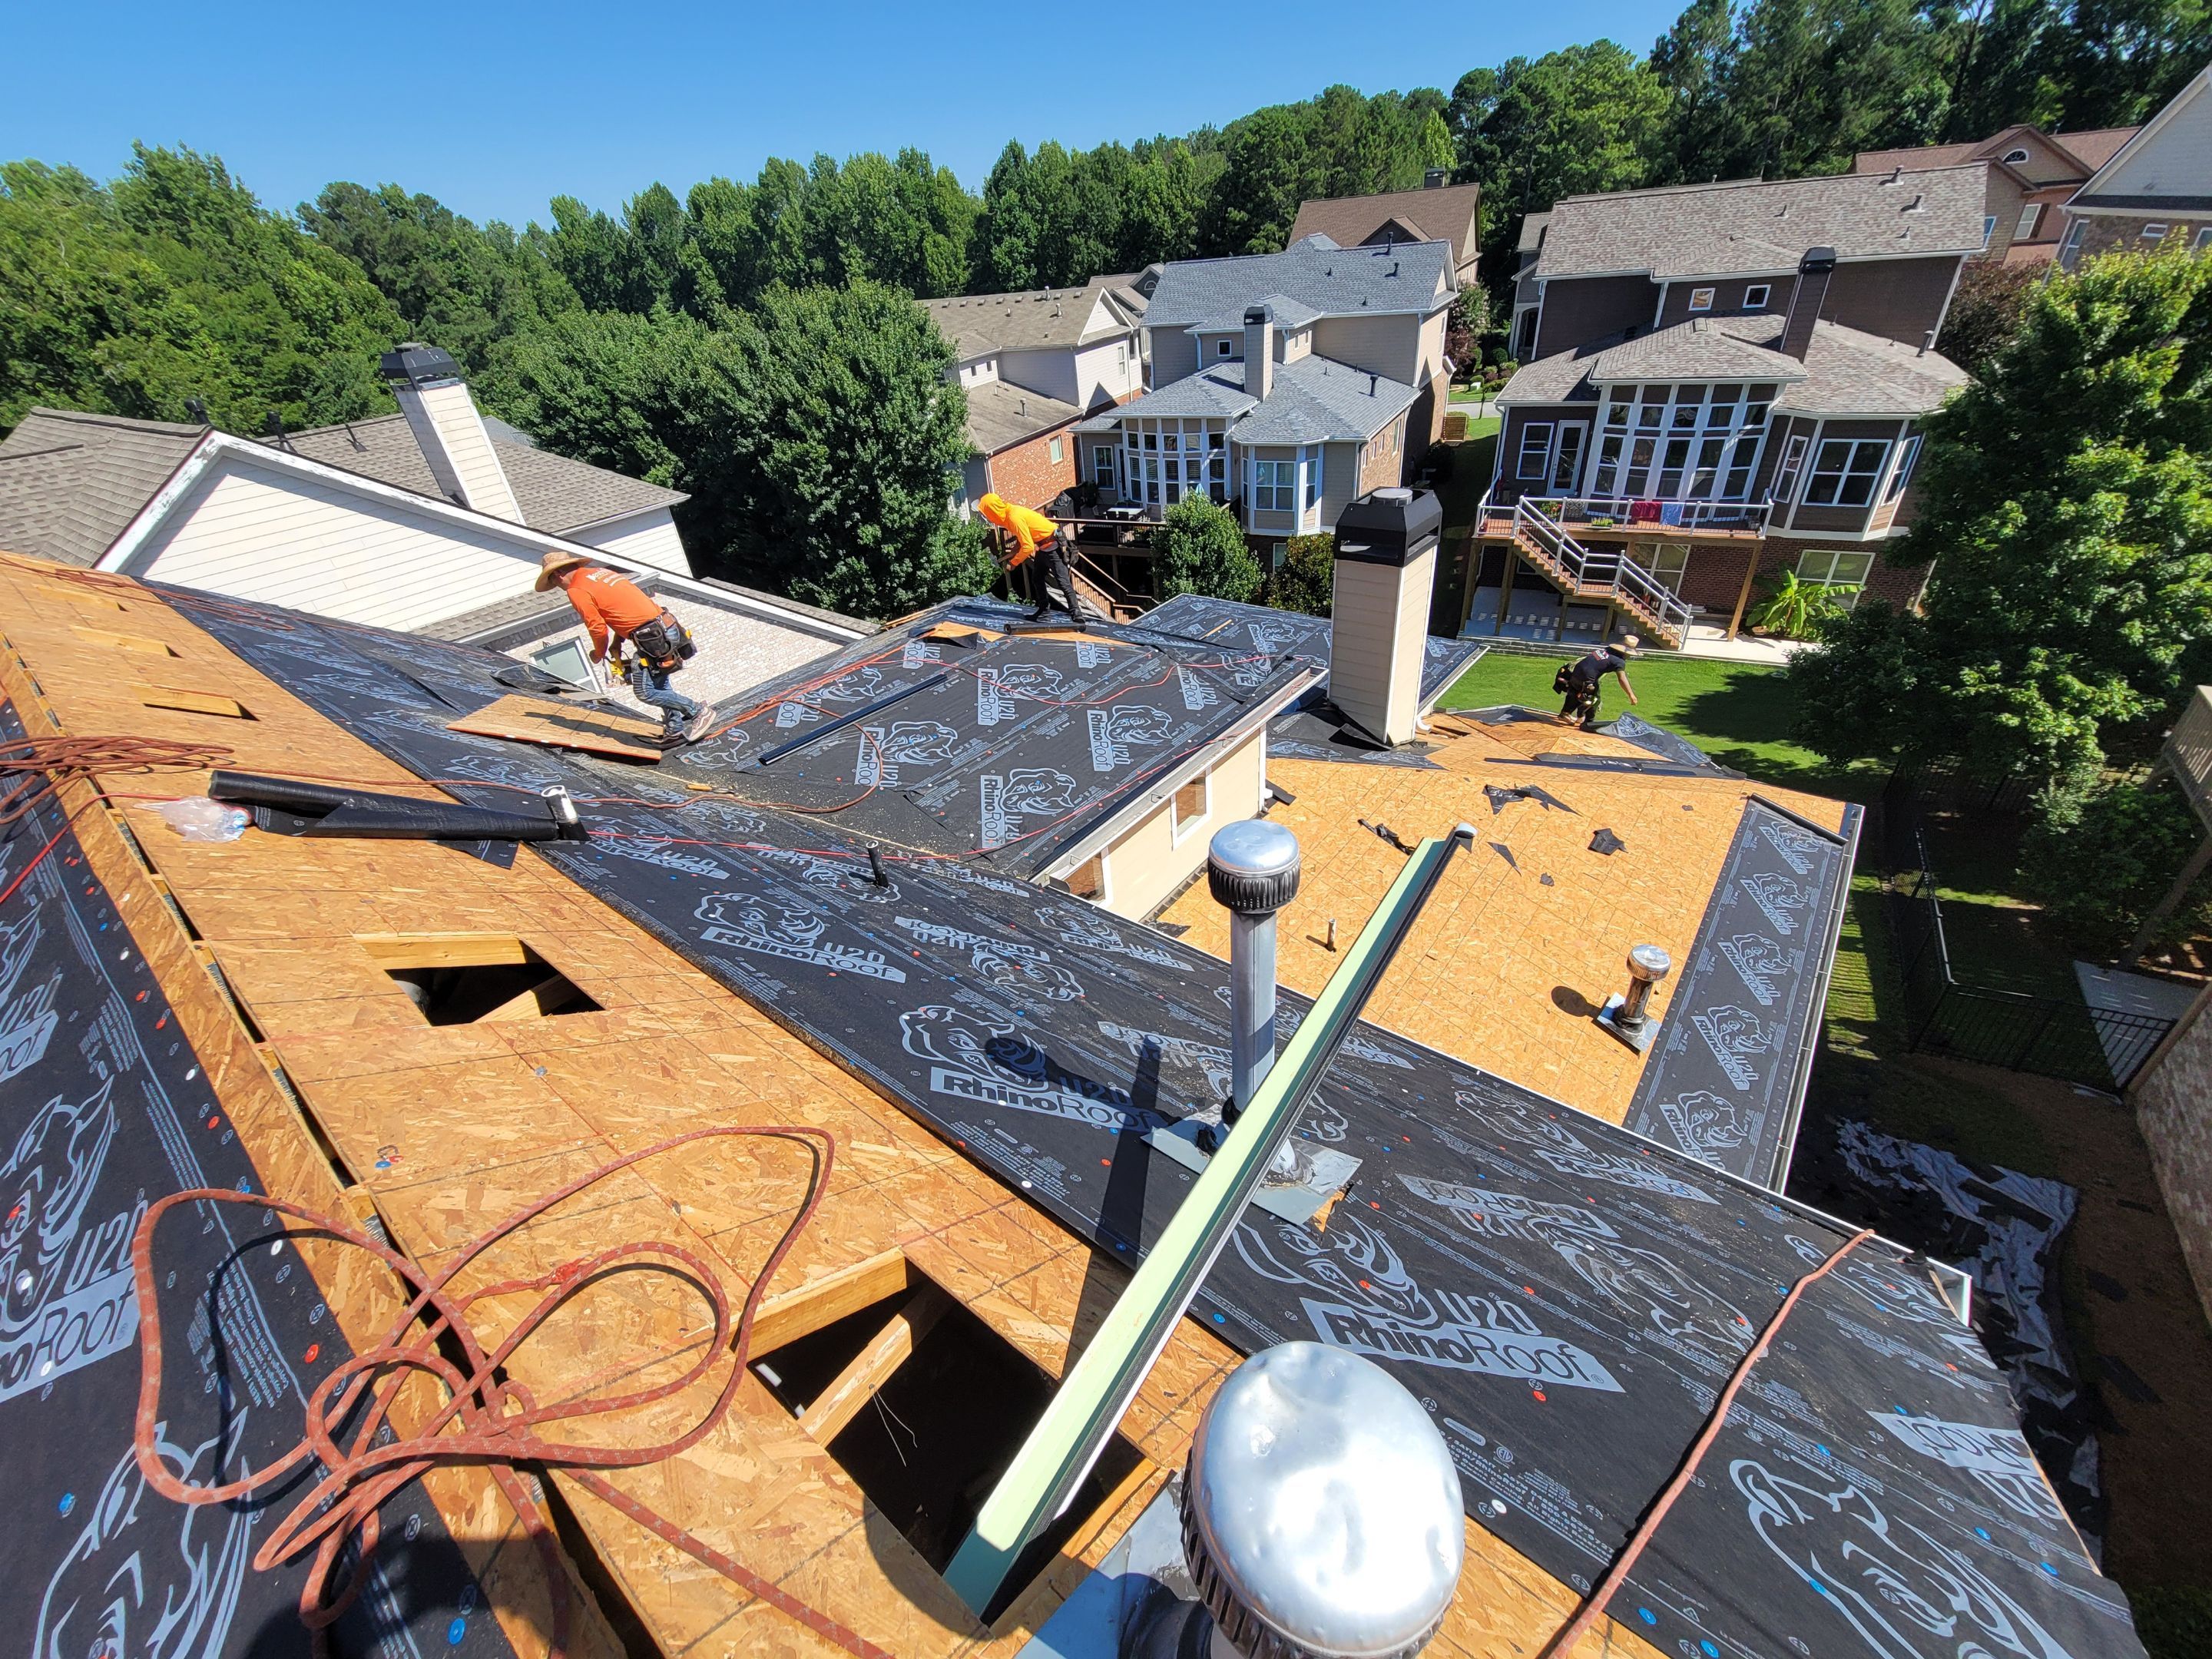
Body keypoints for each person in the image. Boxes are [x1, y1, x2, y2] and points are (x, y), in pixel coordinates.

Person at [535, 551, 714, 743]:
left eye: (554, 582)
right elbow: (624, 610)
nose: (557, 587)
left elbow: (597, 628)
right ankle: (675, 730)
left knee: (645, 692)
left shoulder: (577, 589)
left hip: (651, 638)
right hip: (665, 628)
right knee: (659, 684)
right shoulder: (602, 573)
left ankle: (697, 711)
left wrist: (598, 653)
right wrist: (616, 644)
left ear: (558, 574)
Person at [977, 492, 1090, 624]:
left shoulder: (1014, 517)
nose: (987, 516)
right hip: (1043, 547)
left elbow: (1028, 547)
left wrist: (1013, 563)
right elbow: (1023, 538)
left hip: (1053, 545)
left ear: (992, 510)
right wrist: (1012, 553)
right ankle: (1044, 612)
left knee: (1063, 582)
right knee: (1037, 578)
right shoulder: (1009, 515)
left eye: (986, 512)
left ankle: (1077, 614)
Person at [1557, 634, 1641, 728]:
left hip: (1576, 672)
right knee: (1594, 699)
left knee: (1575, 691)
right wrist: (1631, 695)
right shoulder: (1619, 662)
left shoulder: (1607, 650)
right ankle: (1588, 722)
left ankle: (1565, 713)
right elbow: (1622, 678)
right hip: (1587, 678)